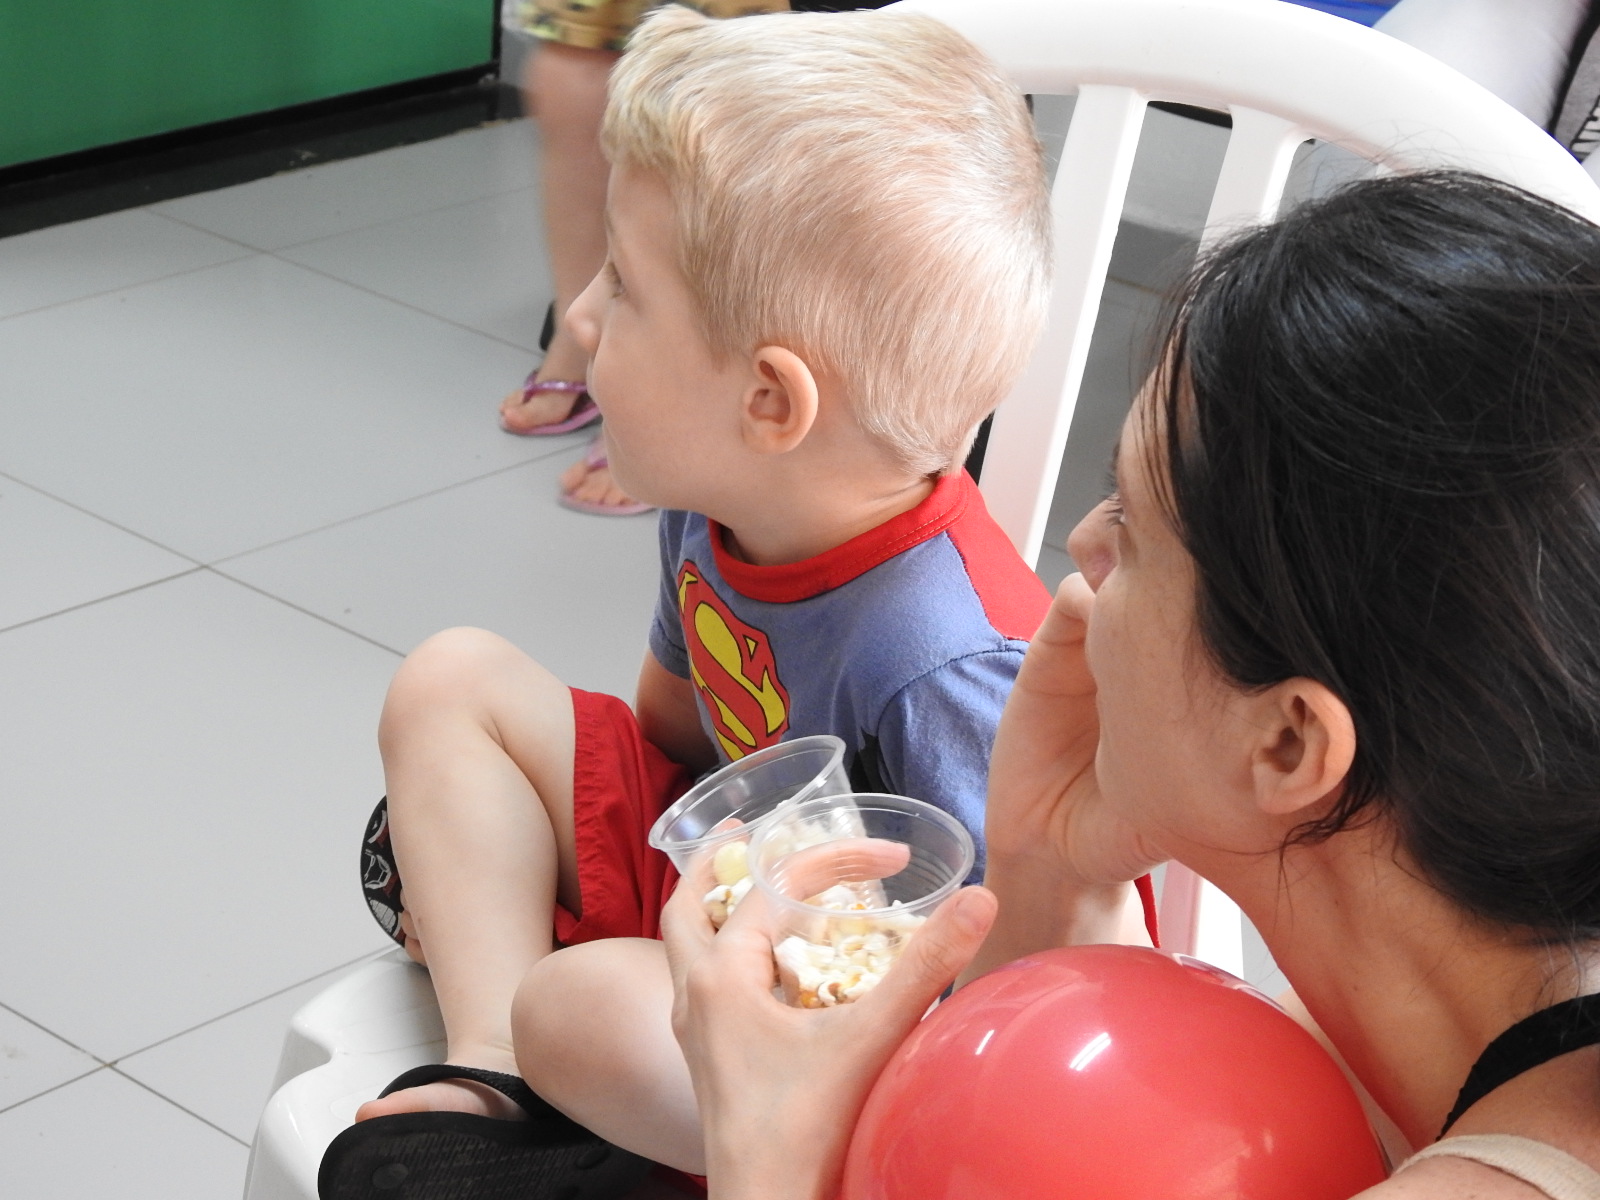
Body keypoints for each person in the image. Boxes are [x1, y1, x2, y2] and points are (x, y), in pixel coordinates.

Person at [663, 171, 1600, 1199]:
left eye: (1132, 527)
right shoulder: (1414, 1043)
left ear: (1287, 742)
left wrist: (767, 1150)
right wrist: (1045, 866)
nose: (1082, 548)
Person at [321, 7, 1070, 1193]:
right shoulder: (714, 502)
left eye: (622, 286)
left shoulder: (949, 659)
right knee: (451, 680)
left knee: (574, 1001)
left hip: (841, 1023)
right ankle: (496, 1067)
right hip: (721, 880)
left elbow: (1005, 998)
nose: (579, 317)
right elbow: (672, 743)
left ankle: (670, 1115)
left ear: (770, 402)